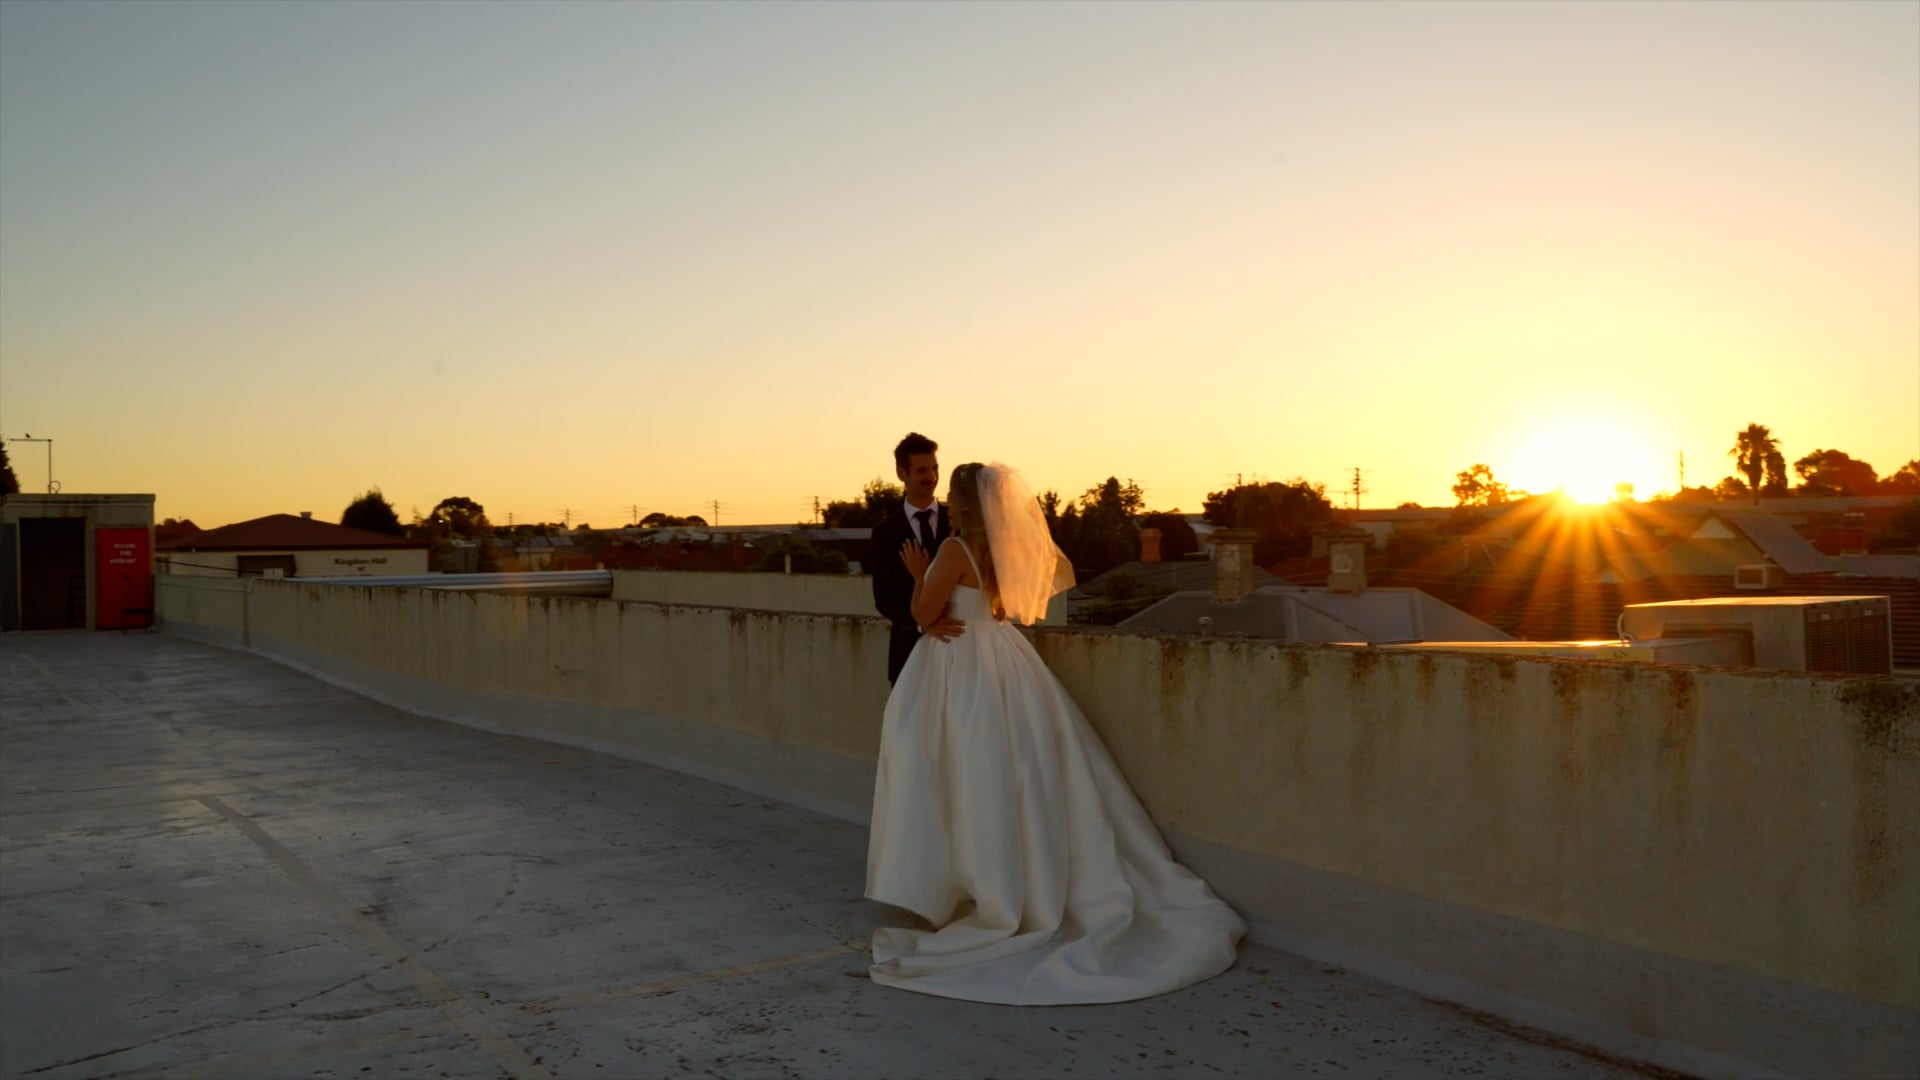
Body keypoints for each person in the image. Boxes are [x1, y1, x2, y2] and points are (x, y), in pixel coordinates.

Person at [864, 462, 1245, 1005]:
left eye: (952, 490)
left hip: (960, 665)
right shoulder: (1000, 549)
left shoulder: (952, 551)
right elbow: (1001, 607)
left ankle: (978, 885)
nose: (945, 495)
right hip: (1005, 657)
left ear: (967, 501)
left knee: (956, 771)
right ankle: (1005, 878)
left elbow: (925, 613)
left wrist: (923, 573)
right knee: (1014, 770)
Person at [870, 432, 964, 684]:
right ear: (902, 474)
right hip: (908, 654)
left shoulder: (960, 524)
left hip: (958, 649)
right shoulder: (884, 533)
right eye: (922, 470)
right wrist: (923, 626)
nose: (931, 477)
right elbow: (884, 598)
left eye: (935, 468)